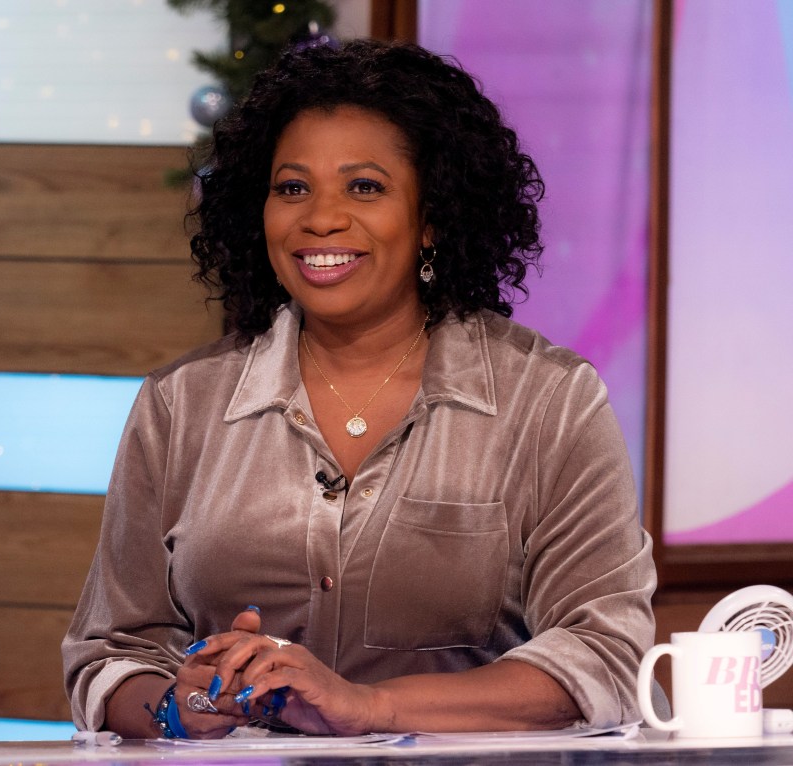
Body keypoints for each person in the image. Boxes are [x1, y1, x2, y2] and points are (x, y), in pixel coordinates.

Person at [61, 38, 657, 740]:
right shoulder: (180, 405)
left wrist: (366, 707)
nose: (320, 218)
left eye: (365, 187)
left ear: (432, 216)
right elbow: (112, 653)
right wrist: (178, 704)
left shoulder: (548, 401)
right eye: (292, 188)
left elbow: (604, 656)